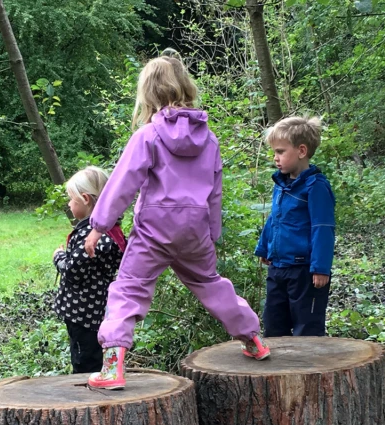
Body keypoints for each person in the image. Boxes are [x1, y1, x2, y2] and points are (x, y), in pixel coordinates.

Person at [84, 55, 270, 391]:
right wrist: (213, 232)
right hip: (195, 231)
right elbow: (215, 191)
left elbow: (122, 183)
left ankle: (112, 367)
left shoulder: (148, 136)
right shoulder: (208, 139)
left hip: (154, 231)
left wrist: (99, 225)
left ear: (148, 94)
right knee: (211, 282)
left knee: (128, 289)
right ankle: (253, 340)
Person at [254, 115, 336, 337]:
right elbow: (275, 218)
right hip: (278, 268)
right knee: (274, 325)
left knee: (306, 328)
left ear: (301, 151)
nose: (275, 158)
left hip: (305, 271)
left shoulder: (316, 187)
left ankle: (309, 371)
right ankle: (278, 371)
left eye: (281, 152)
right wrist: (264, 248)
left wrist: (320, 268)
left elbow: (323, 228)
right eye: (274, 152)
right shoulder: (281, 184)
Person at [53, 166, 126, 374]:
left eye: (71, 200)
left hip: (84, 314)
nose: (69, 204)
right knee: (92, 355)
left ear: (85, 199)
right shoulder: (110, 229)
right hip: (96, 311)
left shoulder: (93, 236)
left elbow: (72, 271)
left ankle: (88, 395)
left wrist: (58, 256)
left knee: (85, 360)